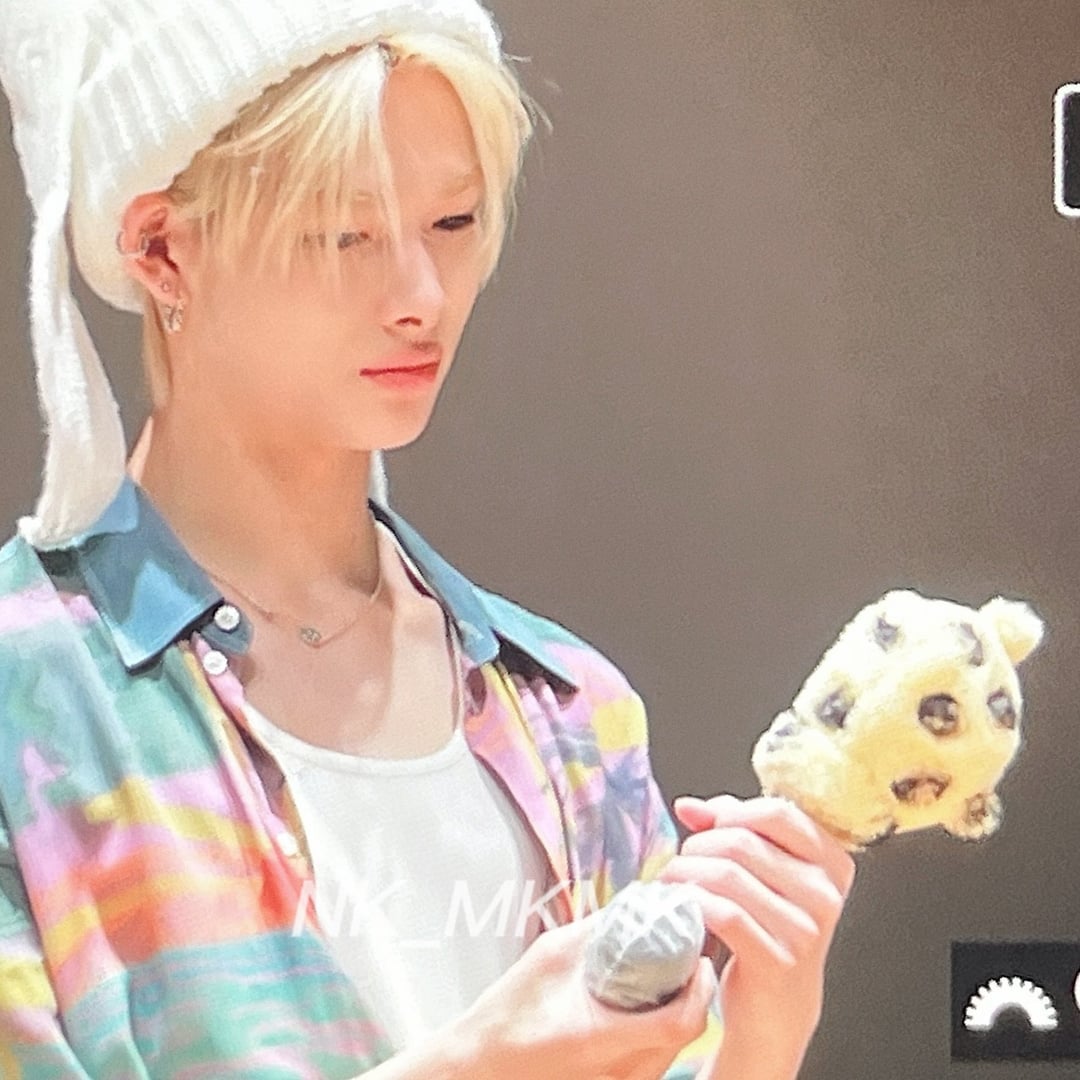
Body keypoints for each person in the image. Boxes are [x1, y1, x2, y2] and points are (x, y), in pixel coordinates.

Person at [0, 1, 855, 1077]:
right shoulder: (29, 700)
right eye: (343, 233)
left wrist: (763, 1032)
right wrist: (485, 1063)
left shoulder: (569, 713)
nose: (421, 295)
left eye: (452, 223)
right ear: (163, 250)